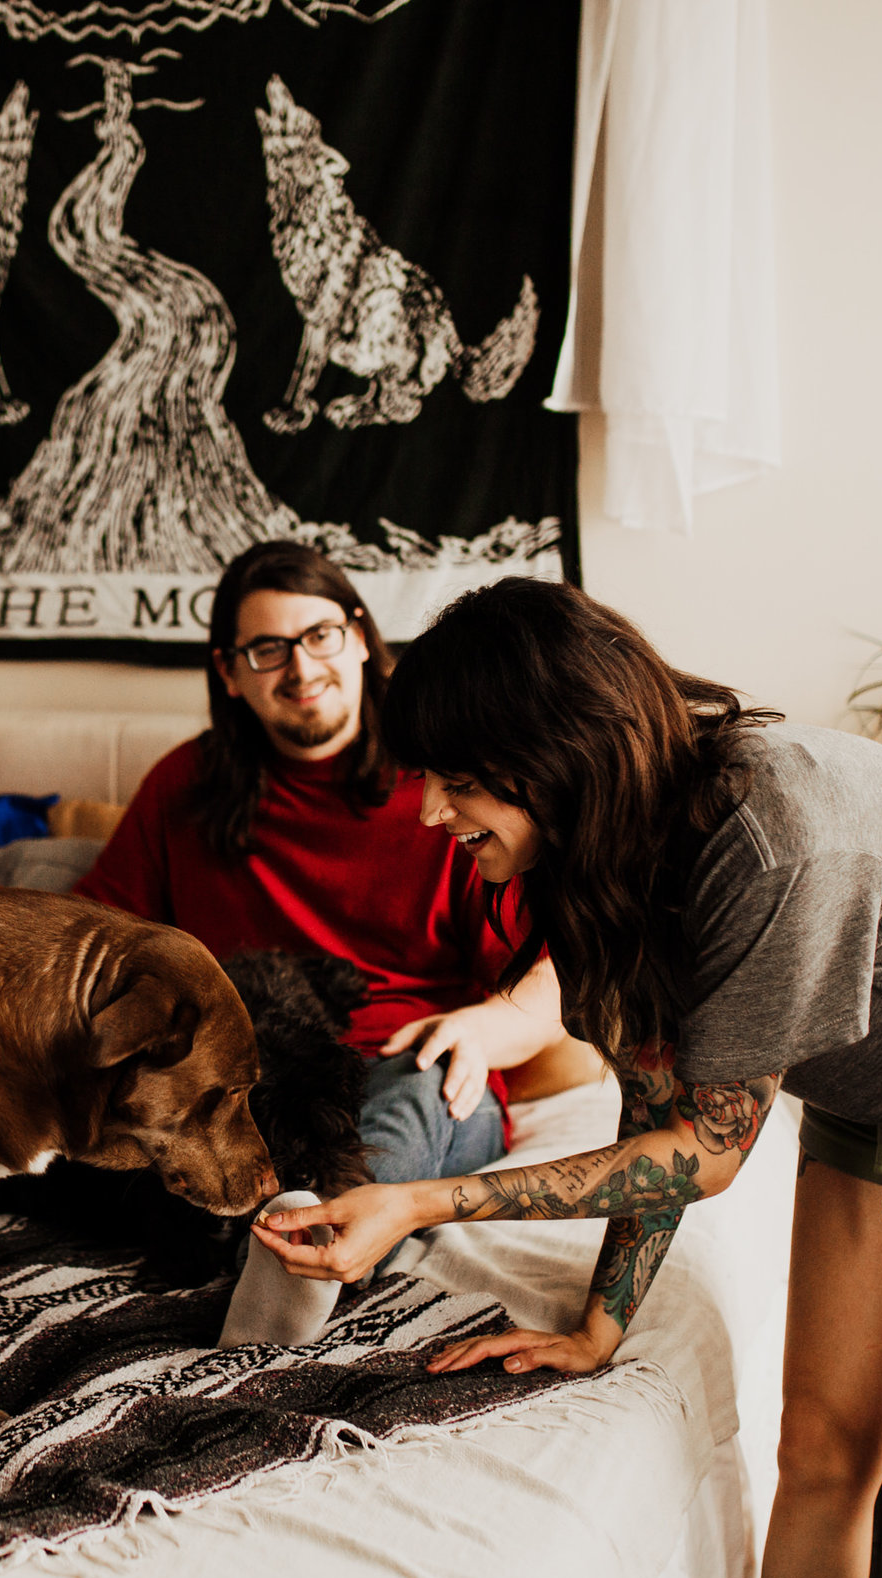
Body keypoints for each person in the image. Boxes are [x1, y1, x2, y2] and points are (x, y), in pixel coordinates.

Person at [251, 577, 882, 1578]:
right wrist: (600, 1323)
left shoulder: (774, 839)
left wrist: (417, 1199)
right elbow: (654, 1094)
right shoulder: (590, 858)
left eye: (455, 780)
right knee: (821, 1457)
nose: (432, 812)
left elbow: (705, 1152)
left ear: (552, 752)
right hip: (879, 1081)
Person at [75, 543, 572, 1339]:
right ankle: (264, 1254)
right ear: (230, 672)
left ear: (362, 639)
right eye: (267, 650)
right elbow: (88, 942)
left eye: (319, 636)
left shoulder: (448, 789)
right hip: (249, 1079)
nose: (300, 669)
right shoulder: (183, 788)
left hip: (405, 1065)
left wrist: (484, 1026)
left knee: (416, 1089)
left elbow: (559, 970)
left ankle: (293, 1259)